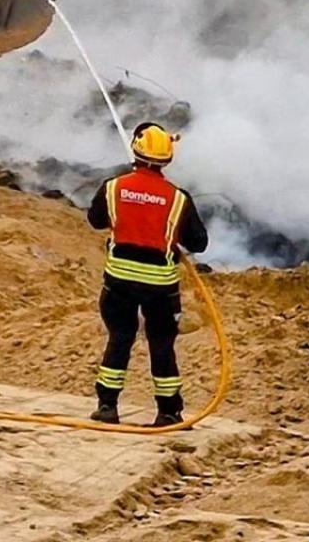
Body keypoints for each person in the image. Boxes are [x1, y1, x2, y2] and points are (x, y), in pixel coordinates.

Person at [87, 122, 208, 426]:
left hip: (119, 282)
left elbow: (96, 220)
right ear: (167, 159)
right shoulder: (179, 198)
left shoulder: (113, 187)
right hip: (160, 286)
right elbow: (199, 243)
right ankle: (168, 413)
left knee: (120, 337)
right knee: (161, 344)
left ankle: (107, 407)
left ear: (136, 152)